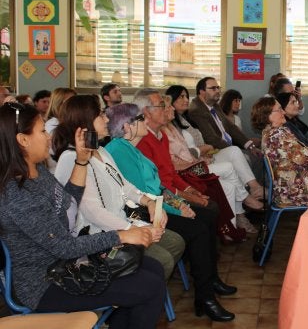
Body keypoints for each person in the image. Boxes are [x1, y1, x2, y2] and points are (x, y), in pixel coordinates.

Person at [0, 102, 164, 329]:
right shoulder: (16, 193)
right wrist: (122, 236)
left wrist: (81, 161)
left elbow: (67, 206)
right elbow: (64, 246)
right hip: (43, 284)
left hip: (63, 266)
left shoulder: (36, 173)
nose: (49, 136)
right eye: (42, 131)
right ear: (22, 139)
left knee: (152, 269)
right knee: (149, 286)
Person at [105, 102, 237, 322]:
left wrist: (180, 204)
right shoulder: (119, 151)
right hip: (139, 213)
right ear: (126, 126)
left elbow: (158, 186)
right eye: (139, 119)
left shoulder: (130, 148)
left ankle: (209, 281)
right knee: (198, 229)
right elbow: (141, 195)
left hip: (156, 206)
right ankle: (205, 297)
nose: (145, 121)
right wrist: (177, 208)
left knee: (207, 215)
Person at [52, 95, 185, 280]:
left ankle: (144, 295)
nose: (107, 119)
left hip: (119, 225)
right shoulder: (71, 159)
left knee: (175, 243)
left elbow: (125, 186)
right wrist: (131, 230)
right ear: (86, 121)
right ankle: (132, 300)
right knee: (162, 260)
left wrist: (150, 202)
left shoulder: (101, 150)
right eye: (100, 115)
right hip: (96, 238)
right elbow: (93, 213)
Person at [165, 85, 261, 233]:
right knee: (230, 166)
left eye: (186, 96)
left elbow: (229, 129)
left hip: (203, 157)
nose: (186, 100)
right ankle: (245, 199)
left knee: (235, 153)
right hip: (192, 165)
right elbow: (181, 155)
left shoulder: (185, 118)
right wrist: (201, 152)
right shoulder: (178, 121)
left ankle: (234, 222)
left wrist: (204, 152)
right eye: (181, 97)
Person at [188, 77, 264, 184]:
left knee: (259, 156)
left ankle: (258, 192)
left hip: (228, 147)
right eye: (213, 88)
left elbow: (231, 127)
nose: (218, 91)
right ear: (202, 92)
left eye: (218, 88)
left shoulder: (214, 106)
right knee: (248, 158)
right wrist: (233, 150)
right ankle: (253, 190)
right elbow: (211, 138)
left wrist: (250, 146)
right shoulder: (196, 110)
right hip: (214, 152)